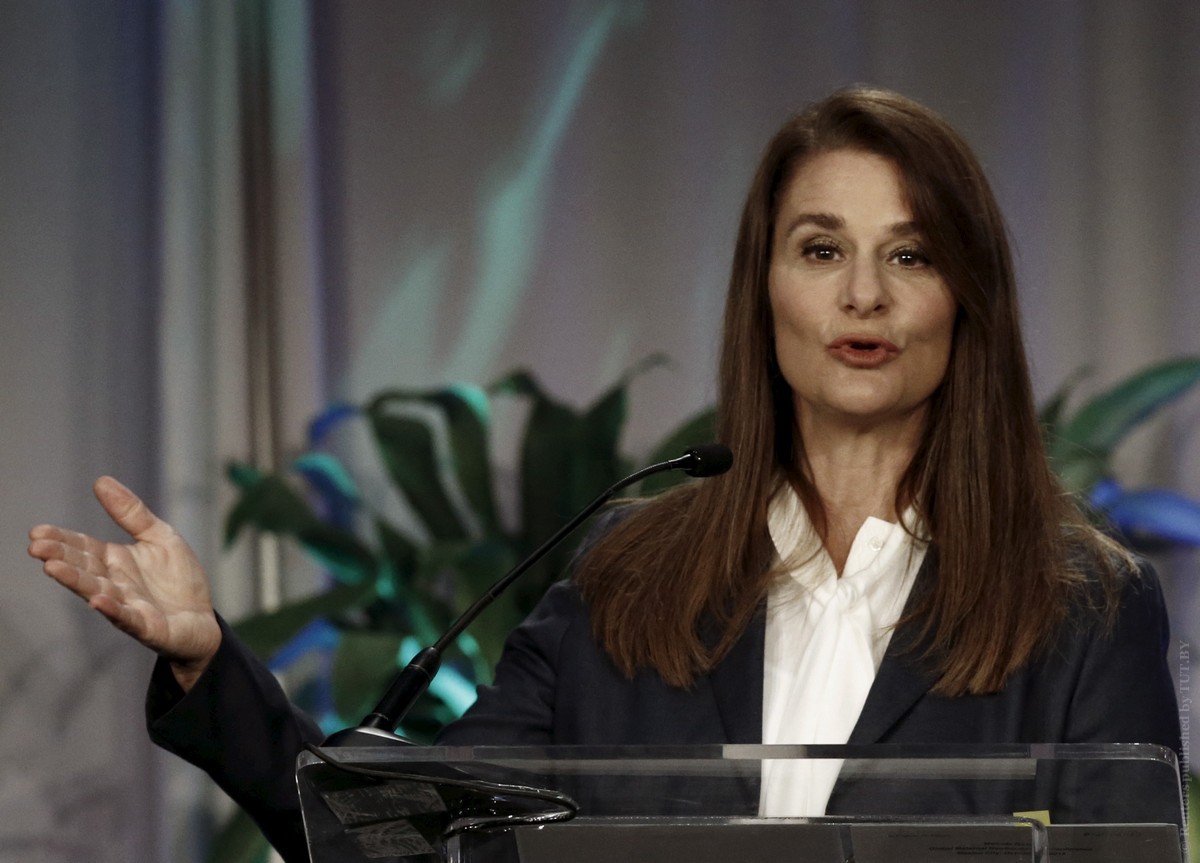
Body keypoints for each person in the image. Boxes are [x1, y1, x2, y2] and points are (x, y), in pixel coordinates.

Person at [30, 86, 1182, 862]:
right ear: (766, 289)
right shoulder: (630, 578)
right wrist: (204, 658)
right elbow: (403, 835)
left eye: (911, 254)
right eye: (821, 248)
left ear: (965, 295)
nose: (862, 296)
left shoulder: (1082, 604)